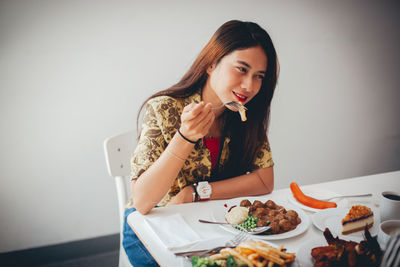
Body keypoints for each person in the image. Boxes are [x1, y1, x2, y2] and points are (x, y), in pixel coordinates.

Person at [123, 20, 279, 266]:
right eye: (241, 69)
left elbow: (263, 181)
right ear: (211, 64)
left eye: (258, 76)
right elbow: (143, 202)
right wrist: (185, 137)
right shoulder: (164, 108)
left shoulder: (244, 113)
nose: (249, 85)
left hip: (213, 223)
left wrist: (194, 193)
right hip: (153, 226)